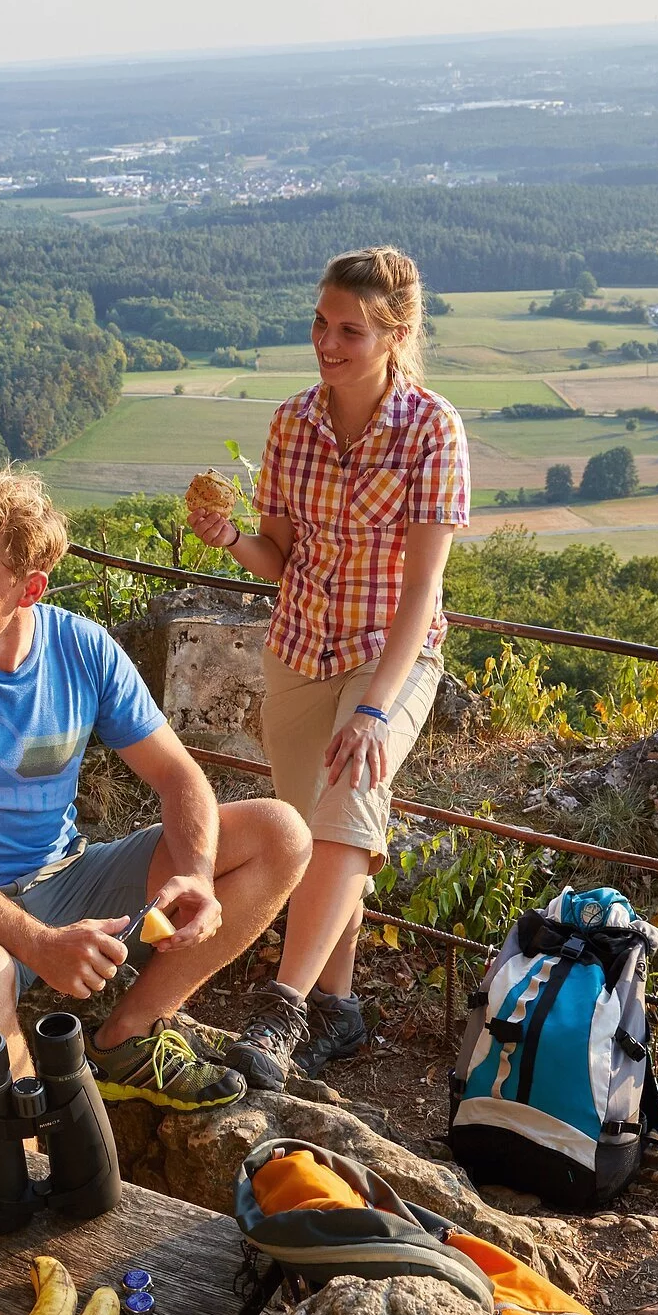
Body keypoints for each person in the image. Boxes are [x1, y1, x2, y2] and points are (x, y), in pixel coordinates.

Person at [0, 466, 312, 1108]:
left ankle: (128, 1036)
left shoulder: (82, 649)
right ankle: (9, 1167)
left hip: (62, 879)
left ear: (30, 589)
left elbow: (179, 777)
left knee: (280, 833)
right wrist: (36, 944)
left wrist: (199, 877)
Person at [187, 246, 471, 1089]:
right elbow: (279, 558)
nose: (328, 342)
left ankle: (278, 1010)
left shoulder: (431, 428)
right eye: (321, 322)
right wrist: (228, 539)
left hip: (391, 656)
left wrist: (377, 709)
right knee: (314, 830)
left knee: (349, 803)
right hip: (300, 649)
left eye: (349, 329)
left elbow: (425, 584)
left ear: (397, 334)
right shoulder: (292, 423)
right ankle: (338, 1010)